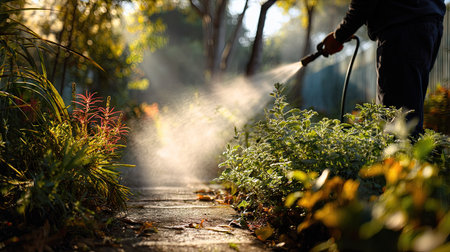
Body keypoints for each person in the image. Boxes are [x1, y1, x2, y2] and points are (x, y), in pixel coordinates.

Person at [322, 0, 446, 137]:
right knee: (409, 111)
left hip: (401, 29)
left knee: (396, 118)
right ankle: (410, 155)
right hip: (429, 23)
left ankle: (400, 156)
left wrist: (338, 36)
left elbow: (363, 4)